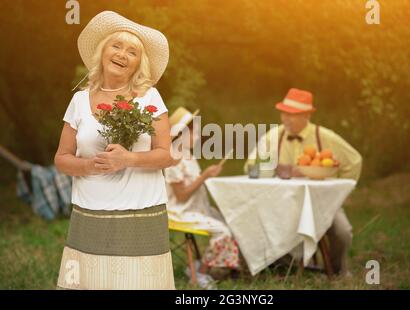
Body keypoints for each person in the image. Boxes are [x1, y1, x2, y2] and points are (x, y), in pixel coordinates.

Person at [54, 11, 175, 289]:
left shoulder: (149, 97)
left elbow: (166, 155)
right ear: (103, 51)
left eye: (132, 51)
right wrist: (87, 166)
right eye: (116, 46)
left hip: (140, 210)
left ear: (137, 64)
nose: (123, 54)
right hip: (91, 211)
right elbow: (61, 159)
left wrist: (127, 158)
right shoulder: (79, 100)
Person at [245, 88, 362, 275]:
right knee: (258, 224)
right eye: (284, 113)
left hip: (322, 203)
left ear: (306, 115)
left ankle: (335, 269)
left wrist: (340, 191)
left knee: (342, 232)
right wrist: (273, 168)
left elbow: (354, 160)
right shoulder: (273, 137)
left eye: (292, 115)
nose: (285, 118)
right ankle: (285, 268)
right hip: (282, 205)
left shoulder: (324, 136)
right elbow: (249, 167)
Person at [165, 107, 241, 289]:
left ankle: (209, 266)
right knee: (223, 231)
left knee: (232, 221)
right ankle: (201, 273)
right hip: (179, 211)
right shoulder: (173, 159)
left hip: (196, 208)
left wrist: (208, 176)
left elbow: (195, 185)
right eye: (194, 134)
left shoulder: (189, 156)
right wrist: (204, 176)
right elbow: (181, 196)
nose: (198, 138)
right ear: (180, 134)